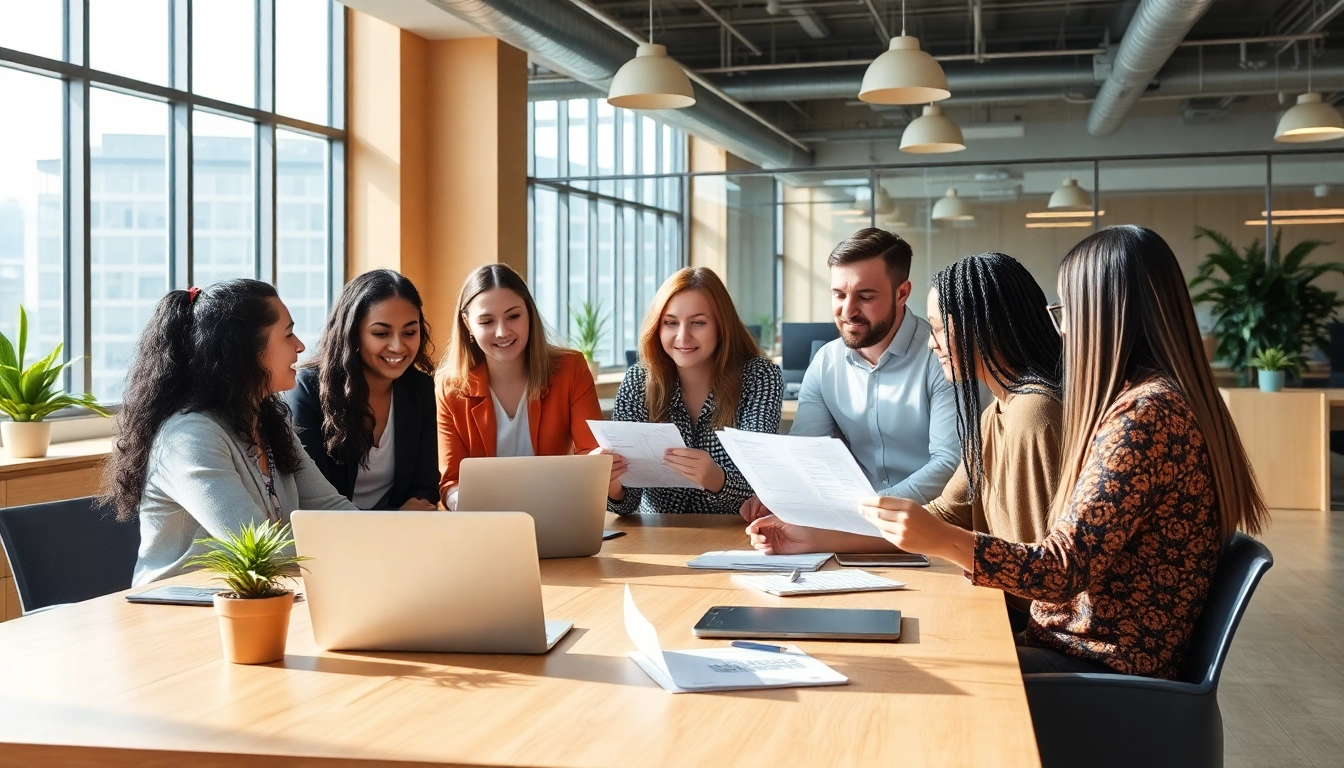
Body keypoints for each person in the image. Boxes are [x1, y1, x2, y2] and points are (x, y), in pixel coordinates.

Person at [859, 225, 1268, 679]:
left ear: (1108, 314)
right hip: (1090, 653)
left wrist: (941, 540)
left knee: (912, 665)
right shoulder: (1164, 401)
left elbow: (1060, 571)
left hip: (1097, 668)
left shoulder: (1145, 415)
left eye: (1067, 310)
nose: (1062, 327)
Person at [748, 252, 1063, 631]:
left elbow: (1040, 575)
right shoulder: (995, 413)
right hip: (1001, 606)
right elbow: (940, 519)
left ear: (984, 327)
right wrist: (809, 537)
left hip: (1029, 628)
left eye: (939, 329)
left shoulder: (1033, 412)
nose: (932, 344)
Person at [100, 280, 357, 586]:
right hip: (179, 611)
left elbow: (333, 510)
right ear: (245, 350)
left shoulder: (268, 421)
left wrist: (402, 538)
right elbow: (259, 549)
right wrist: (361, 551)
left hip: (261, 594)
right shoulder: (189, 437)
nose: (300, 346)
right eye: (288, 334)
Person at [739, 227, 959, 521]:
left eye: (865, 297)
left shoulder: (943, 356)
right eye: (839, 294)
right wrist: (778, 495)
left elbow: (951, 463)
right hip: (851, 523)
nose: (848, 310)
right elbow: (806, 452)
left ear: (902, 293)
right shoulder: (826, 362)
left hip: (932, 523)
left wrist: (868, 509)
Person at [599, 267, 783, 515]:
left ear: (721, 326)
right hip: (659, 539)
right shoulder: (638, 380)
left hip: (735, 537)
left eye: (698, 323)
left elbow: (761, 485)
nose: (682, 336)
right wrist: (611, 482)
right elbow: (628, 505)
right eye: (671, 323)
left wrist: (716, 479)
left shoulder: (759, 377)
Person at [436, 264, 602, 508]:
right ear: (467, 324)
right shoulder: (449, 387)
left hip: (557, 512)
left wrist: (600, 466)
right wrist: (469, 504)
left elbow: (592, 454)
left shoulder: (570, 368)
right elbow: (451, 481)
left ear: (530, 315)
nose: (502, 331)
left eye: (513, 316)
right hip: (485, 523)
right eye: (486, 321)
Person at [285, 270, 439, 511]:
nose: (398, 346)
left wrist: (408, 512)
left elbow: (426, 485)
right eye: (381, 333)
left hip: (400, 538)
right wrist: (396, 518)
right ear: (353, 333)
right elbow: (314, 499)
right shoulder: (309, 390)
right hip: (330, 539)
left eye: (410, 332)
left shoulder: (420, 388)